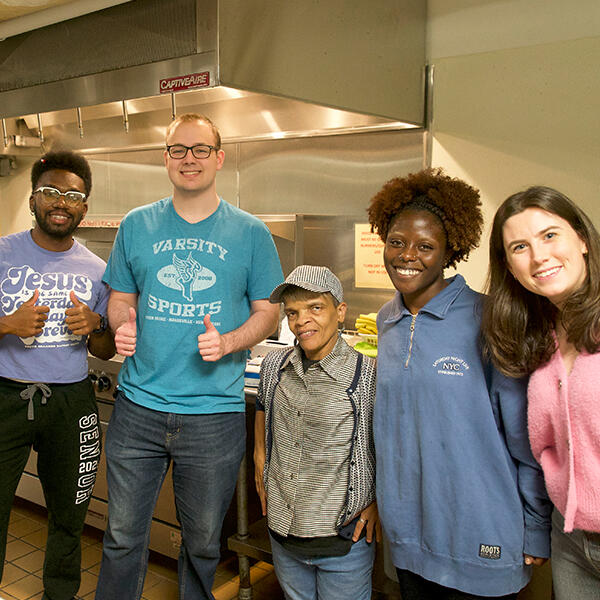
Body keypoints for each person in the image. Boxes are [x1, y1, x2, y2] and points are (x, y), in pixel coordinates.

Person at [95, 113, 283, 600]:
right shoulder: (136, 225)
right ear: (166, 159)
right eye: (179, 149)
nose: (189, 159)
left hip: (213, 417)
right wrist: (123, 323)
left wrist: (230, 342)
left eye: (201, 149)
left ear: (219, 158)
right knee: (120, 538)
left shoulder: (251, 233)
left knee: (201, 545)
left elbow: (269, 312)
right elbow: (120, 298)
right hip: (139, 408)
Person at [367, 168, 551, 600]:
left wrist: (537, 525)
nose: (407, 255)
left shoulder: (489, 320)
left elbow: (526, 438)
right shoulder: (387, 320)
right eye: (397, 241)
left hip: (482, 536)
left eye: (426, 246)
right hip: (410, 540)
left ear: (451, 251)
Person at [0, 150, 115, 600]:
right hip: (6, 396)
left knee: (70, 515)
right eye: (50, 192)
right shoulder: (2, 252)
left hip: (71, 404)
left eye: (72, 195)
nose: (60, 202)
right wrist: (8, 324)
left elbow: (103, 350)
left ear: (84, 207)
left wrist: (96, 326)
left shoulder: (96, 270)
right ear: (33, 200)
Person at [481, 185, 600, 600]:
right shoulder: (539, 337)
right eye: (519, 247)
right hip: (570, 539)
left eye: (550, 235)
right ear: (510, 267)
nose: (539, 256)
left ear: (582, 239)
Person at [254, 265, 379, 600]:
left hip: (342, 540)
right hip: (284, 535)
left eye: (315, 308)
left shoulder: (366, 376)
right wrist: (260, 458)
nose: (301, 321)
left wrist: (377, 500)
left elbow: (385, 447)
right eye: (292, 312)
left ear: (340, 312)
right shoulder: (274, 367)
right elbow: (262, 406)